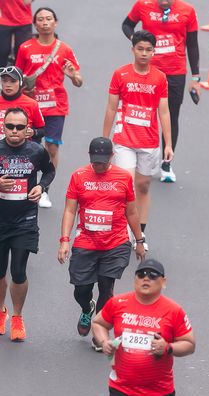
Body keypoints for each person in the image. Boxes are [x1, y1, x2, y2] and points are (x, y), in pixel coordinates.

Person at [92, 259, 195, 396]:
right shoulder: (118, 303)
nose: (146, 278)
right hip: (123, 388)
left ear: (163, 282)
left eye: (153, 275)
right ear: (135, 279)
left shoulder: (173, 310)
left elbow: (189, 344)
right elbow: (99, 323)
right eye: (141, 274)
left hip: (159, 391)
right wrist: (104, 341)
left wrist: (167, 347)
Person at [0, 107, 54, 342]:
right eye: (10, 126)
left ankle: (17, 316)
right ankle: (0, 311)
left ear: (28, 129)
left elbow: (49, 172)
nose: (14, 131)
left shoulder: (37, 151)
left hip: (25, 221)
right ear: (3, 127)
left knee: (19, 271)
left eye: (20, 127)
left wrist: (41, 187)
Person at [58, 137, 146, 349]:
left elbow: (132, 211)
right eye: (95, 161)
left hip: (116, 243)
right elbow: (70, 210)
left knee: (106, 288)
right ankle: (86, 308)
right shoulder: (79, 176)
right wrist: (64, 241)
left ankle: (99, 333)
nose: (99, 165)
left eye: (103, 161)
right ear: (89, 157)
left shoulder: (123, 177)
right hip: (86, 242)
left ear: (112, 157)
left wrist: (139, 240)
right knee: (81, 288)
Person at [122, 0, 200, 183]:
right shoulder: (142, 5)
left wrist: (196, 78)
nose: (164, 2)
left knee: (171, 116)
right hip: (147, 70)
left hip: (175, 71)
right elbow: (127, 25)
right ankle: (141, 158)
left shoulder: (187, 11)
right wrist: (136, 40)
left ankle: (166, 164)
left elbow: (192, 44)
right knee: (142, 115)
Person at [102, 30, 171, 250]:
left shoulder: (160, 77)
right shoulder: (120, 74)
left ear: (154, 52)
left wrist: (168, 144)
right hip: (123, 139)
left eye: (148, 50)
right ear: (132, 49)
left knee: (143, 186)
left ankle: (140, 231)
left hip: (149, 141)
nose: (144, 53)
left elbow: (164, 112)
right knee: (126, 184)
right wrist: (104, 140)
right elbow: (111, 107)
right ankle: (123, 230)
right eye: (140, 49)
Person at [15, 7, 82, 208]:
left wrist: (72, 76)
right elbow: (16, 77)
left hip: (55, 106)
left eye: (49, 19)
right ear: (35, 24)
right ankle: (28, 187)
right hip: (31, 106)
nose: (45, 23)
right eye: (41, 19)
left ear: (55, 22)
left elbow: (79, 81)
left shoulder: (65, 49)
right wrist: (21, 90)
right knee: (30, 147)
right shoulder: (25, 48)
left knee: (52, 148)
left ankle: (44, 190)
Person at [0, 66, 44, 145]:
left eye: (13, 81)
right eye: (4, 81)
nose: (8, 85)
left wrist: (33, 133)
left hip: (24, 150)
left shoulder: (32, 104)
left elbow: (42, 130)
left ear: (20, 82)